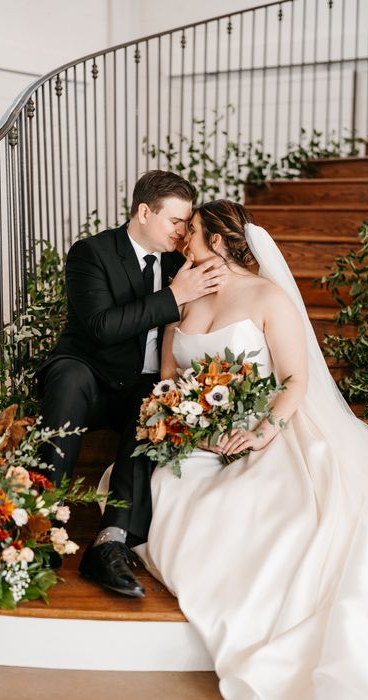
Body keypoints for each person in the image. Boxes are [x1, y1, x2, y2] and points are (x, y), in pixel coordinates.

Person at [105, 199, 368, 700]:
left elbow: (295, 380)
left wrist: (264, 432)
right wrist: (183, 422)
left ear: (217, 242)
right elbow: (170, 379)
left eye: (191, 232)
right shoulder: (180, 299)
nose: (182, 241)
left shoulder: (268, 298)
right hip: (196, 437)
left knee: (270, 510)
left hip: (268, 430)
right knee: (167, 492)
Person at [37, 171, 228, 598]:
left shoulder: (184, 263)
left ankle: (111, 544)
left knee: (158, 407)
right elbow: (103, 327)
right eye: (174, 221)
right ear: (144, 212)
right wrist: (174, 296)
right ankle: (41, 520)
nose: (182, 232)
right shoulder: (92, 253)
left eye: (186, 224)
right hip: (90, 375)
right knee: (67, 378)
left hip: (143, 384)